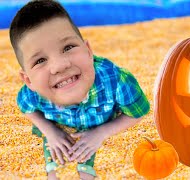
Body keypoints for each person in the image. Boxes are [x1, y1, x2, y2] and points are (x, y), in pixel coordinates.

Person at [9, 0, 150, 179]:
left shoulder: (115, 80)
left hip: (99, 123)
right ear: (29, 80)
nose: (59, 66)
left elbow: (138, 111)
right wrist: (50, 132)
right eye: (40, 60)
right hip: (58, 124)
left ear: (88, 51)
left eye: (68, 47)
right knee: (54, 171)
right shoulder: (32, 93)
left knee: (87, 173)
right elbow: (25, 107)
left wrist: (101, 132)